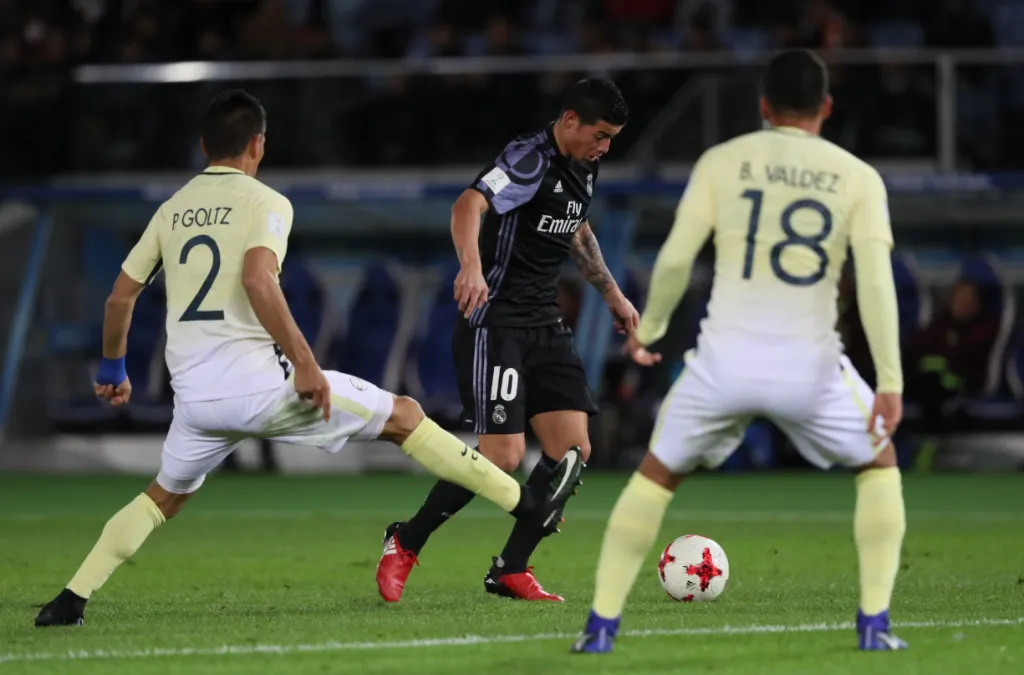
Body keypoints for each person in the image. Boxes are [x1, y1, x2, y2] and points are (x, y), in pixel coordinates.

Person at [34, 89, 583, 628]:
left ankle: (71, 599)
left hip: (195, 402)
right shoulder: (267, 203)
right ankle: (526, 504)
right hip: (260, 391)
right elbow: (258, 279)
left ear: (204, 146)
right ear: (258, 144)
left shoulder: (170, 211)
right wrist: (304, 364)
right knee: (405, 416)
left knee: (161, 499)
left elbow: (119, 299)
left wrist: (113, 370)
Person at [571, 49, 908, 653]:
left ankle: (601, 627)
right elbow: (876, 284)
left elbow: (676, 258)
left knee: (655, 476)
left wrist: (650, 331)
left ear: (763, 106)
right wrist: (889, 381)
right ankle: (874, 626)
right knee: (879, 466)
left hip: (721, 365)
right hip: (811, 368)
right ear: (826, 108)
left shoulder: (722, 162)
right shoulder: (858, 177)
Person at [376, 78, 639, 603]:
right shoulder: (528, 158)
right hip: (495, 322)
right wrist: (470, 267)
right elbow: (468, 205)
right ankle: (406, 540)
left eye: (612, 138)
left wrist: (611, 293)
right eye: (601, 135)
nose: (606, 147)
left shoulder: (585, 164)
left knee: (572, 450)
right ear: (570, 121)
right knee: (502, 456)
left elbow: (576, 228)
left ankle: (511, 569)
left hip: (545, 323)